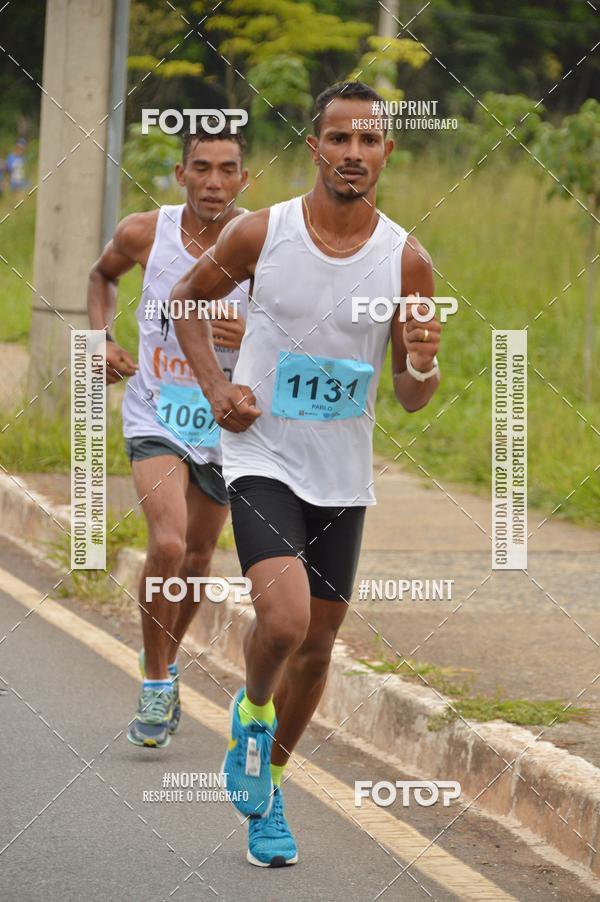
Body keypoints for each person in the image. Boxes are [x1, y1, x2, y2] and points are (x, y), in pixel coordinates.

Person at [172, 81, 442, 866]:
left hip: (342, 472)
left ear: (387, 153)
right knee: (283, 621)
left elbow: (412, 397)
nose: (353, 154)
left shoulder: (407, 260)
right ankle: (252, 714)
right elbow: (186, 305)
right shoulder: (263, 233)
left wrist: (423, 364)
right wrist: (218, 389)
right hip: (261, 455)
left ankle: (272, 788)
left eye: (369, 142)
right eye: (339, 139)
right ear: (315, 146)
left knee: (320, 650)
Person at [87, 127, 250, 748]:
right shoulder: (144, 232)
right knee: (169, 541)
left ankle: (167, 661)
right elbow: (102, 278)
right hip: (156, 410)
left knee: (199, 560)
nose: (213, 182)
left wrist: (253, 331)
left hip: (224, 419)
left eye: (226, 170)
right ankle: (155, 682)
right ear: (181, 175)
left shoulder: (262, 242)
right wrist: (99, 339)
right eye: (201, 168)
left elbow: (300, 324)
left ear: (243, 179)